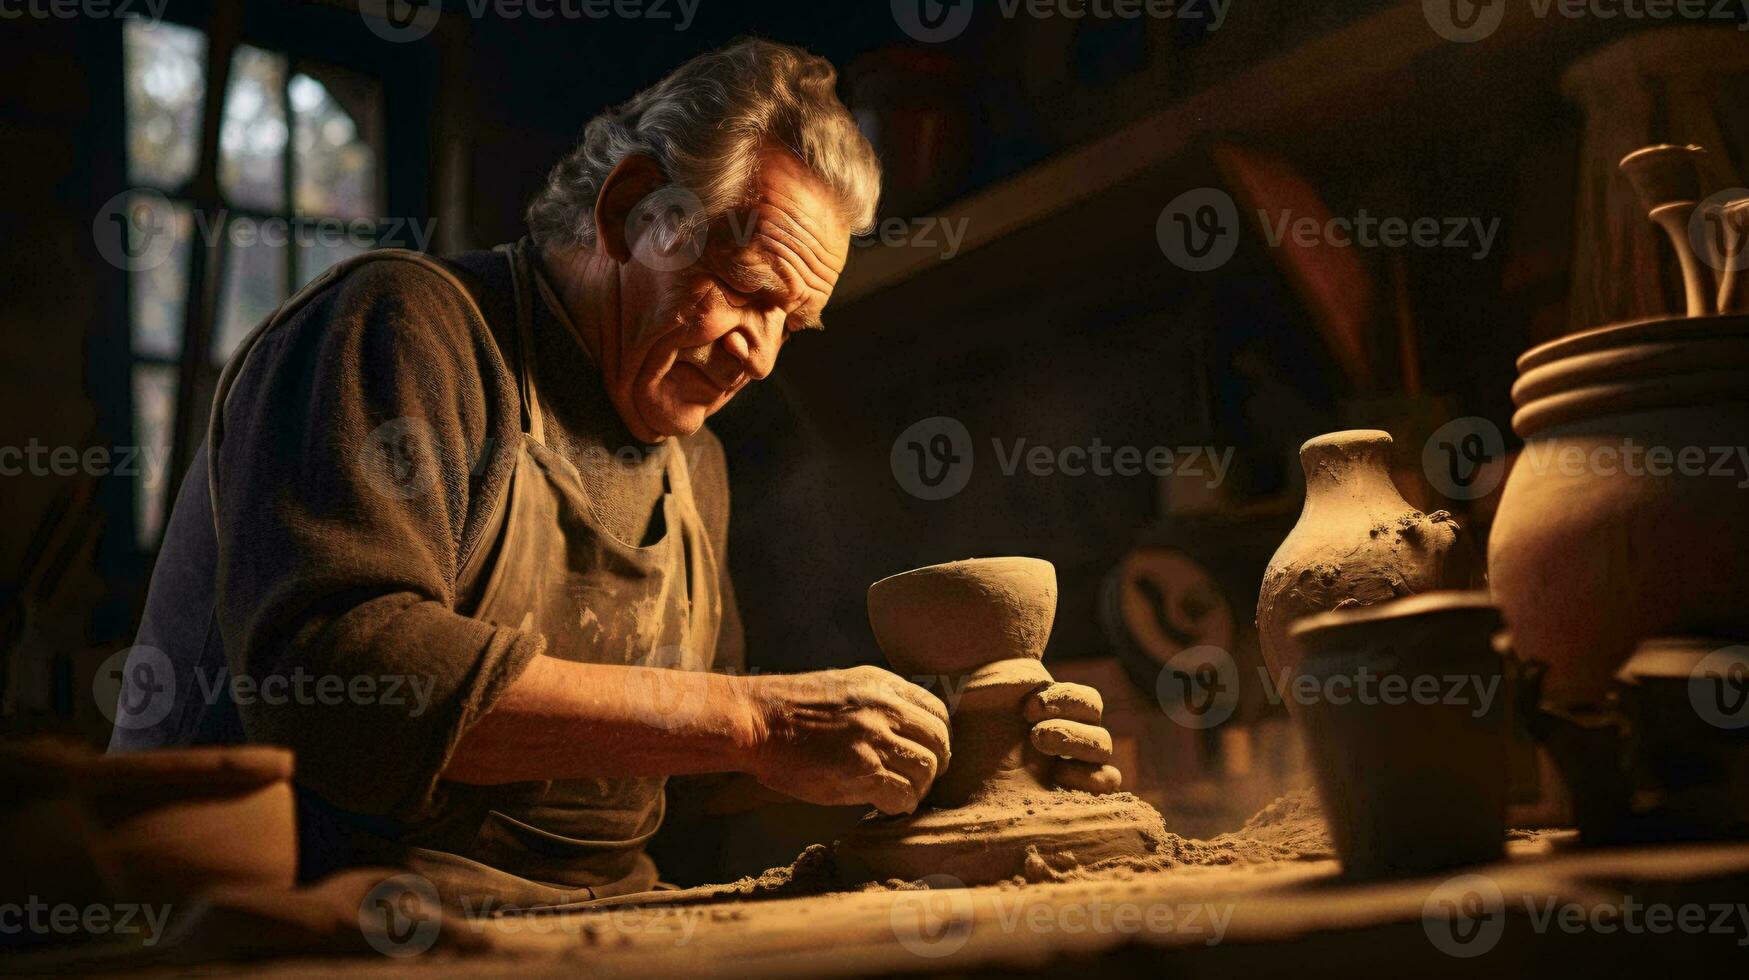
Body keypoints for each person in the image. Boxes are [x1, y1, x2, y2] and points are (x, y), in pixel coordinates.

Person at [110, 38, 1121, 906]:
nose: (761, 357)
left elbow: (691, 765)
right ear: (636, 210)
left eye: (790, 323)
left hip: (588, 927)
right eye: (748, 292)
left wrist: (938, 750)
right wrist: (762, 716)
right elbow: (341, 678)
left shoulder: (696, 460)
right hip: (310, 924)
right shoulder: (399, 328)